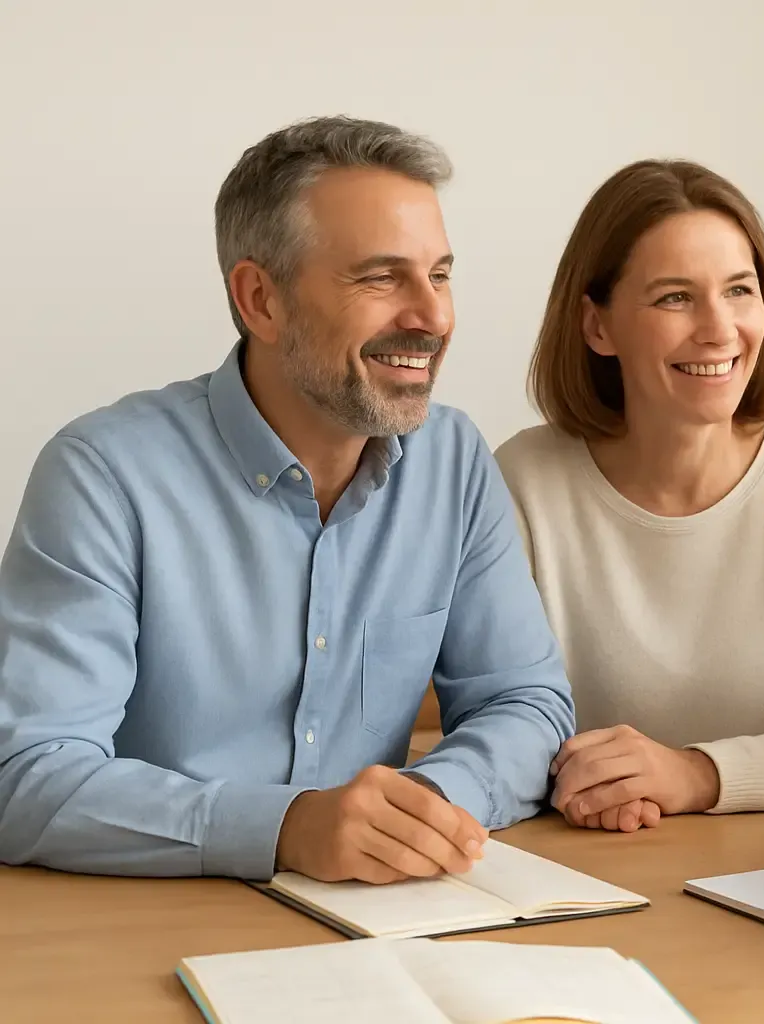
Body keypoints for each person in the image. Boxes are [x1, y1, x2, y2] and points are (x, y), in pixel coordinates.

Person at [0, 116, 575, 882]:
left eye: (439, 274)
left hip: (383, 917)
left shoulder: (453, 460)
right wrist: (282, 828)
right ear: (259, 299)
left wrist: (419, 811)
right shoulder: (102, 475)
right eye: (381, 277)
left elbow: (527, 703)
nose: (434, 317)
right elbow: (27, 777)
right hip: (149, 922)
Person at [495, 159, 764, 832]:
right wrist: (593, 784)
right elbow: (500, 712)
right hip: (588, 856)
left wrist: (693, 774)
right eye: (675, 297)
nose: (719, 328)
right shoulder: (523, 479)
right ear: (597, 326)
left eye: (739, 290)